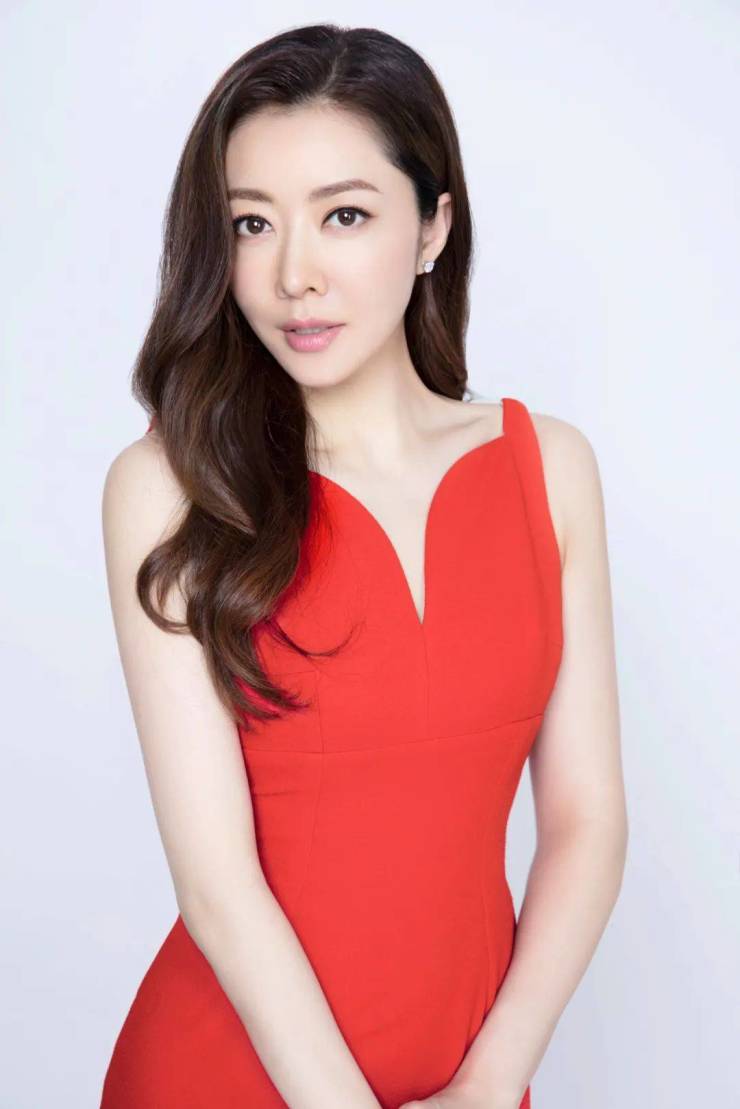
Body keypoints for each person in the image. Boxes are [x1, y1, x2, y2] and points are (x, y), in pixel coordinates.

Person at [100, 23, 627, 1109]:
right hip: (227, 1076)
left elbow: (586, 819)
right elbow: (216, 884)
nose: (293, 275)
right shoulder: (171, 486)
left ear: (433, 226)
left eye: (344, 215)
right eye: (251, 223)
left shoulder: (549, 468)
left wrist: (491, 1083)